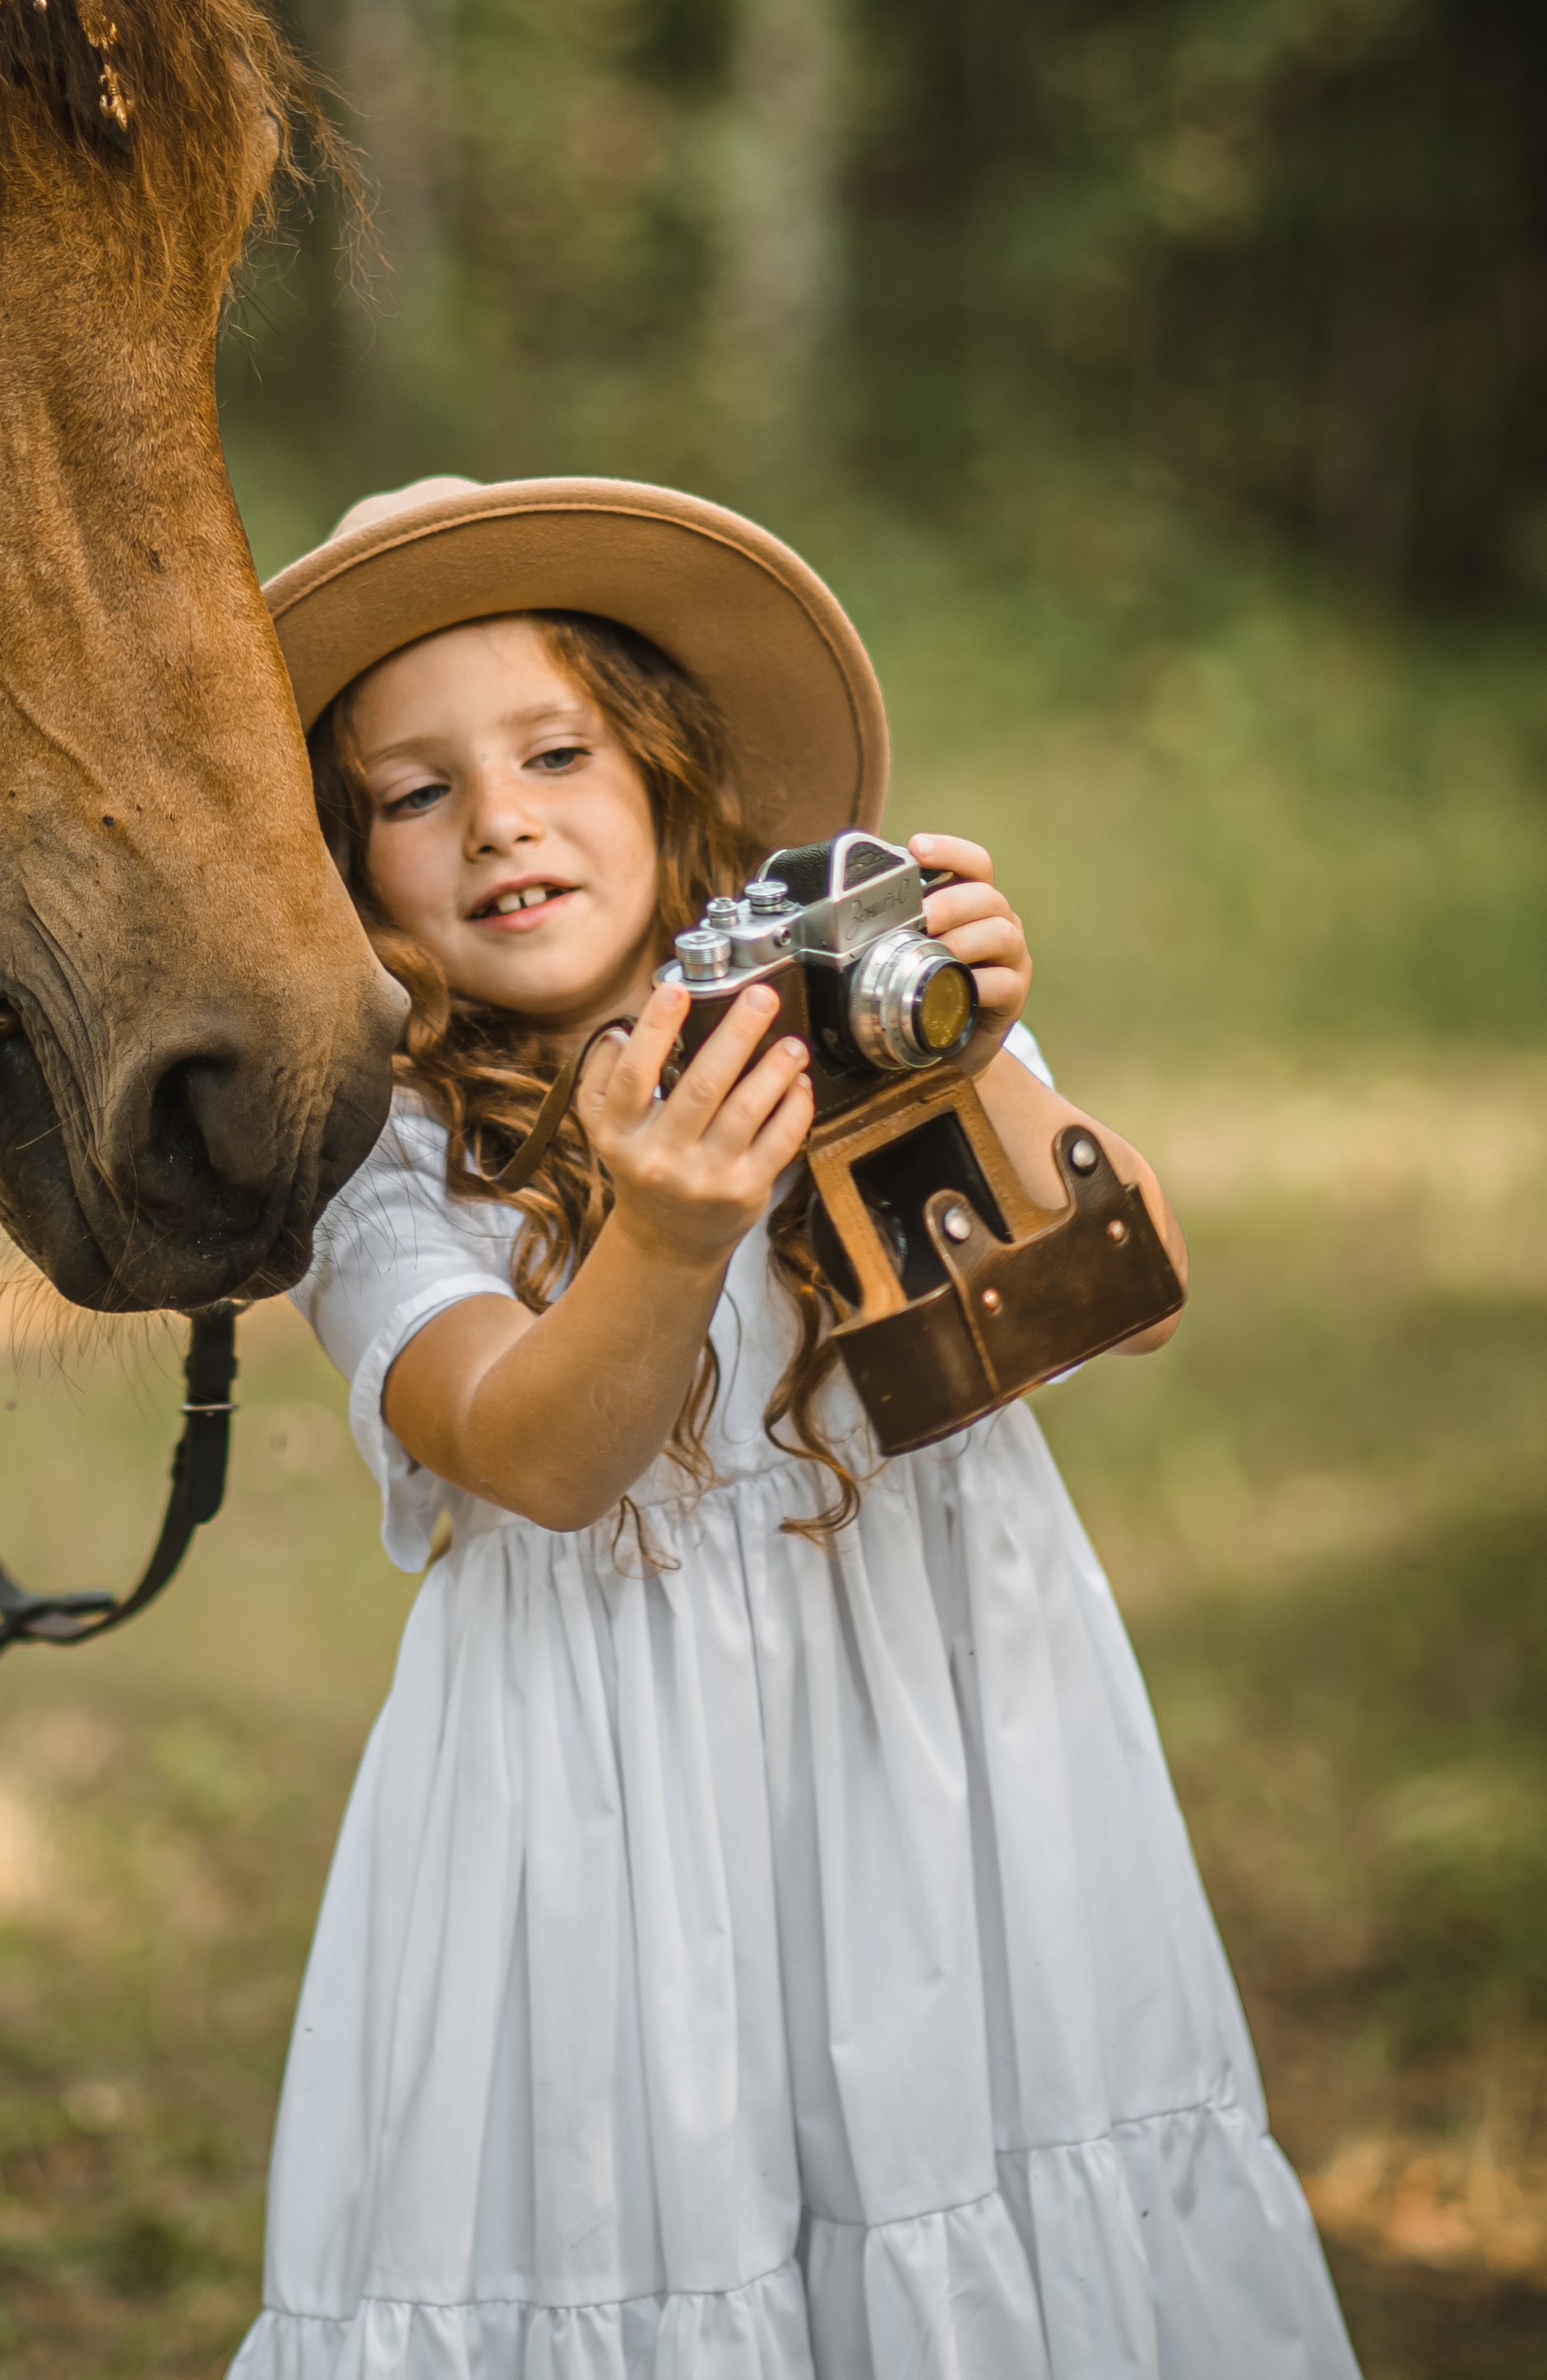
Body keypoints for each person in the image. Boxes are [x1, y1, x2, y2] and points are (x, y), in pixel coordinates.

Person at [230, 476, 1359, 2380]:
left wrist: (972, 1047)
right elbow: (535, 1450)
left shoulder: (839, 1006)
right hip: (602, 1821)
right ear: (343, 875)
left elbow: (1129, 1286)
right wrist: (663, 1234)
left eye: (553, 751)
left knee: (994, 2186)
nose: (496, 818)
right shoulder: (375, 1158)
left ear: (672, 776)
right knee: (653, 2228)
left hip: (958, 1733)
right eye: (411, 795)